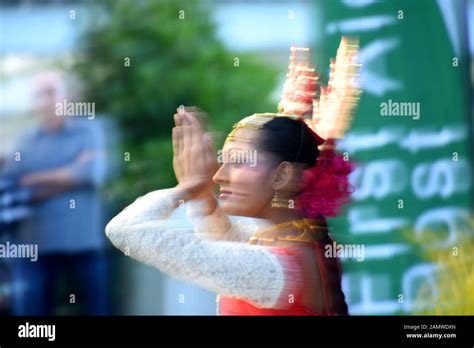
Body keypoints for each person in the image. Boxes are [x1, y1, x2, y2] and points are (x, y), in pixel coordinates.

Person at [106, 38, 361, 315]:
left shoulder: (275, 268)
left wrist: (185, 188)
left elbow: (124, 230)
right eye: (222, 161)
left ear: (282, 175)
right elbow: (227, 237)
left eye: (238, 162)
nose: (219, 176)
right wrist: (202, 195)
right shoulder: (295, 242)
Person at [1, 72, 109, 315]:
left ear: (67, 97)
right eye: (40, 94)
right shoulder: (26, 141)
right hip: (35, 245)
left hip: (82, 242)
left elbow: (90, 174)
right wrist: (69, 174)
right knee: (32, 317)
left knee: (97, 308)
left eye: (51, 92)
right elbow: (16, 184)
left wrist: (36, 178)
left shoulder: (89, 132)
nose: (46, 100)